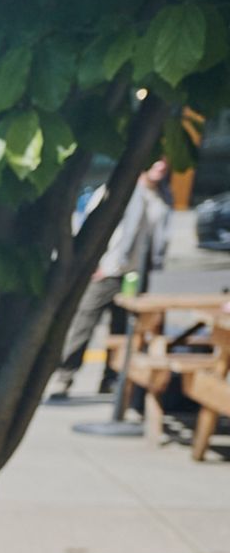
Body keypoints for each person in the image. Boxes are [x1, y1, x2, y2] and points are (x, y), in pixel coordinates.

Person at [47, 158, 173, 401]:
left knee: (123, 330)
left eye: (165, 162)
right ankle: (64, 377)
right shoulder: (116, 191)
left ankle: (111, 379)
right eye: (156, 160)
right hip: (107, 270)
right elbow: (87, 226)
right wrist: (94, 262)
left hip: (135, 274)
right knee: (83, 325)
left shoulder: (163, 196)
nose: (161, 166)